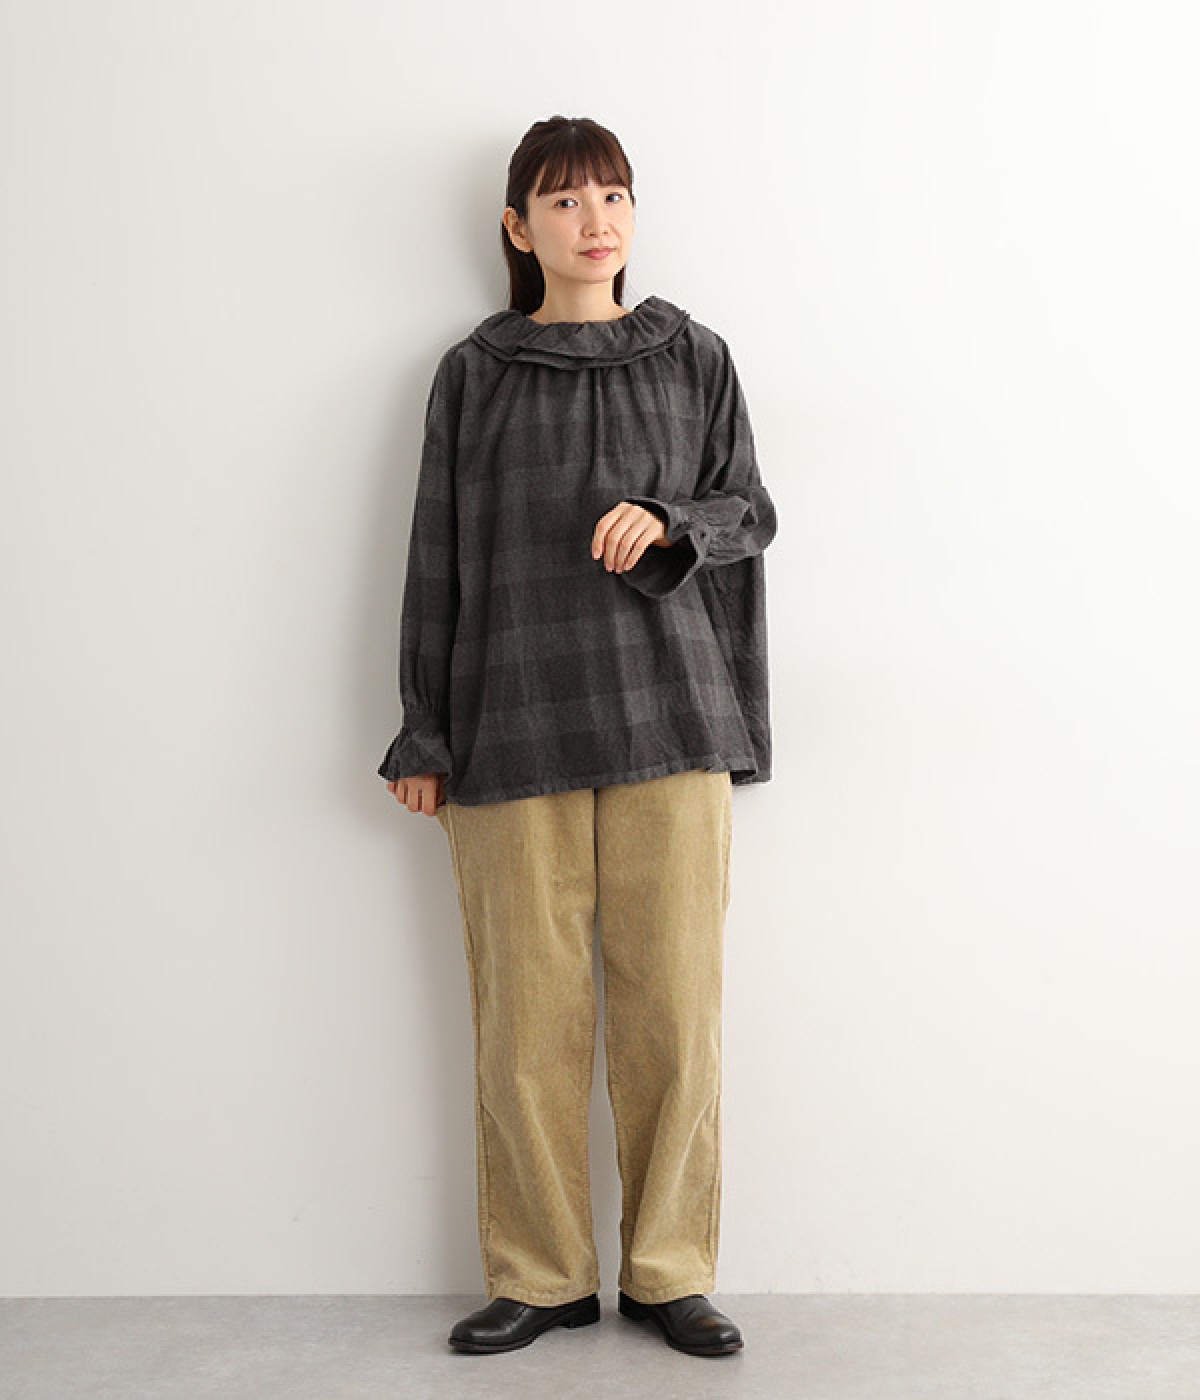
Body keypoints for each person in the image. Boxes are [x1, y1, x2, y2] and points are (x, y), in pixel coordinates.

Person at [378, 115, 777, 1358]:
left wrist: (669, 519)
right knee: (525, 1021)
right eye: (562, 200)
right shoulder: (474, 373)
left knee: (676, 1014)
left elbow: (751, 512)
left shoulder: (694, 355)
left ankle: (669, 1270)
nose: (594, 219)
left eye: (612, 194)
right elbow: (437, 553)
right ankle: (542, 1273)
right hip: (510, 723)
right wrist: (425, 730)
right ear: (518, 226)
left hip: (672, 718)